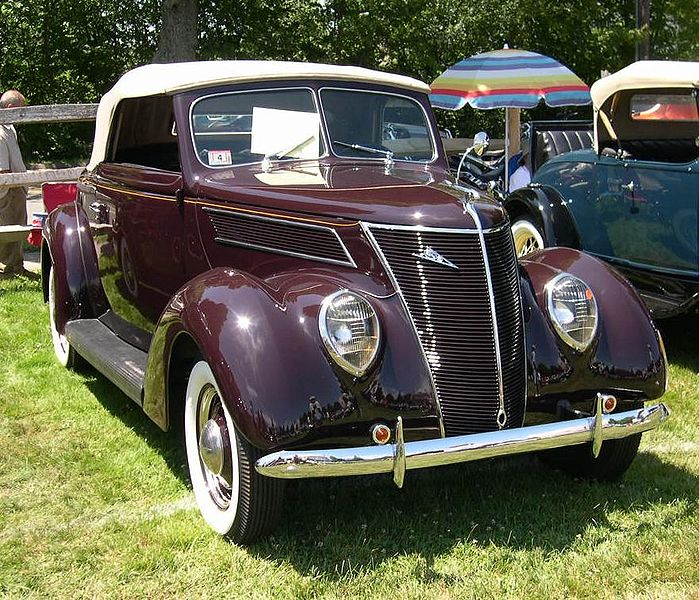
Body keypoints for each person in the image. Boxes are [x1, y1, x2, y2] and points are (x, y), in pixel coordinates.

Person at [0, 90, 28, 276]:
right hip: (8, 189)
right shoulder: (0, 132)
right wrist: (14, 185)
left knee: (18, 228)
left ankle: (17, 267)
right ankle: (7, 270)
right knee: (8, 229)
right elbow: (2, 168)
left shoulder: (9, 128)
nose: (23, 114)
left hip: (17, 186)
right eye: (20, 110)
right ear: (10, 108)